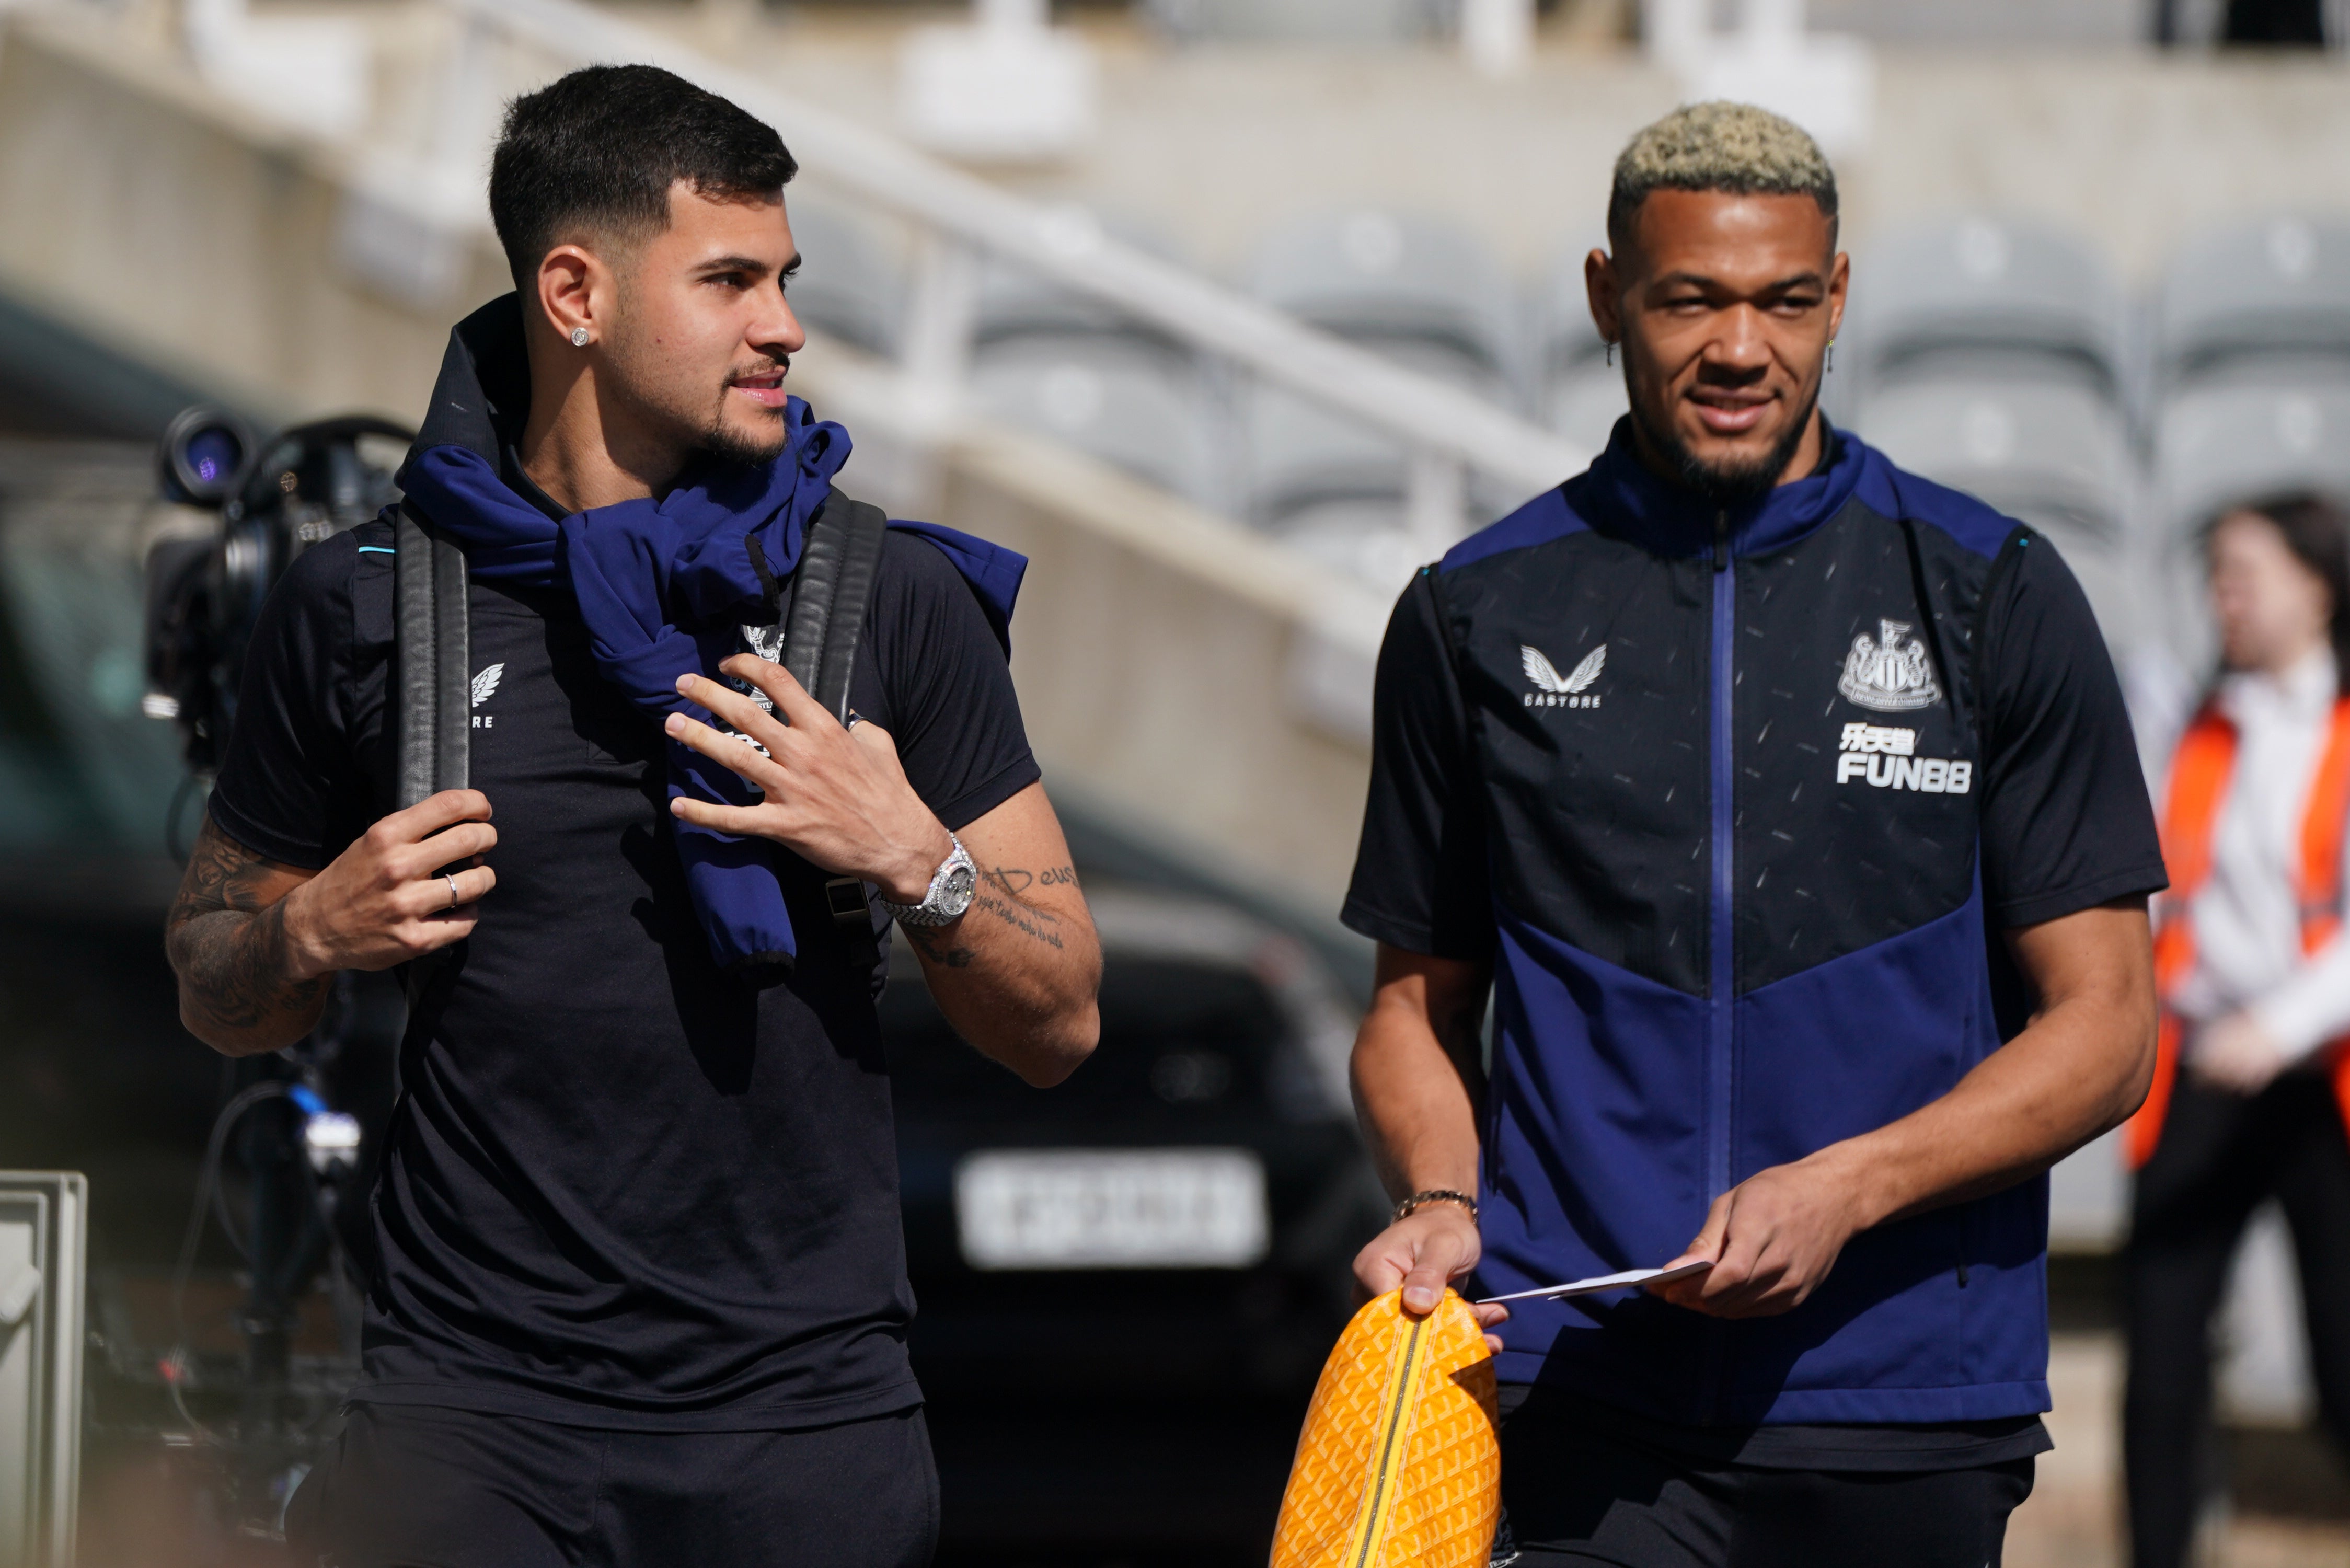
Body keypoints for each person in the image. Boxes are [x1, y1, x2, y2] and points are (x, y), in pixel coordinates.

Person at [163, 64, 1101, 1568]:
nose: (784, 325)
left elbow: (1060, 1018)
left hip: (810, 1436)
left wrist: (910, 858)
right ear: (576, 294)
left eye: (784, 280)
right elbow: (216, 985)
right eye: (730, 281)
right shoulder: (365, 603)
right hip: (469, 1435)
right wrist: (307, 929)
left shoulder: (891, 598)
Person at [1339, 101, 2166, 1568]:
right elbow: (1415, 1007)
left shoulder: (1993, 593)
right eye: (1690, 301)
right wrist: (1445, 1196)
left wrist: (1851, 1186)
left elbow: (2105, 1029)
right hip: (1582, 1386)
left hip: (1907, 1396)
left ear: (1837, 298)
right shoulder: (1477, 611)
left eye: (1785, 301)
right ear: (1608, 297)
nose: (1740, 348)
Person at [2123, 493, 2350, 1568]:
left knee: (2342, 1355)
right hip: (2202, 1073)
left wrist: (2280, 1024)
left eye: (2246, 572)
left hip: (2321, 1085)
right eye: (2216, 572)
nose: (2225, 595)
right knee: (2160, 1360)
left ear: (2317, 588)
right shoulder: (2194, 723)